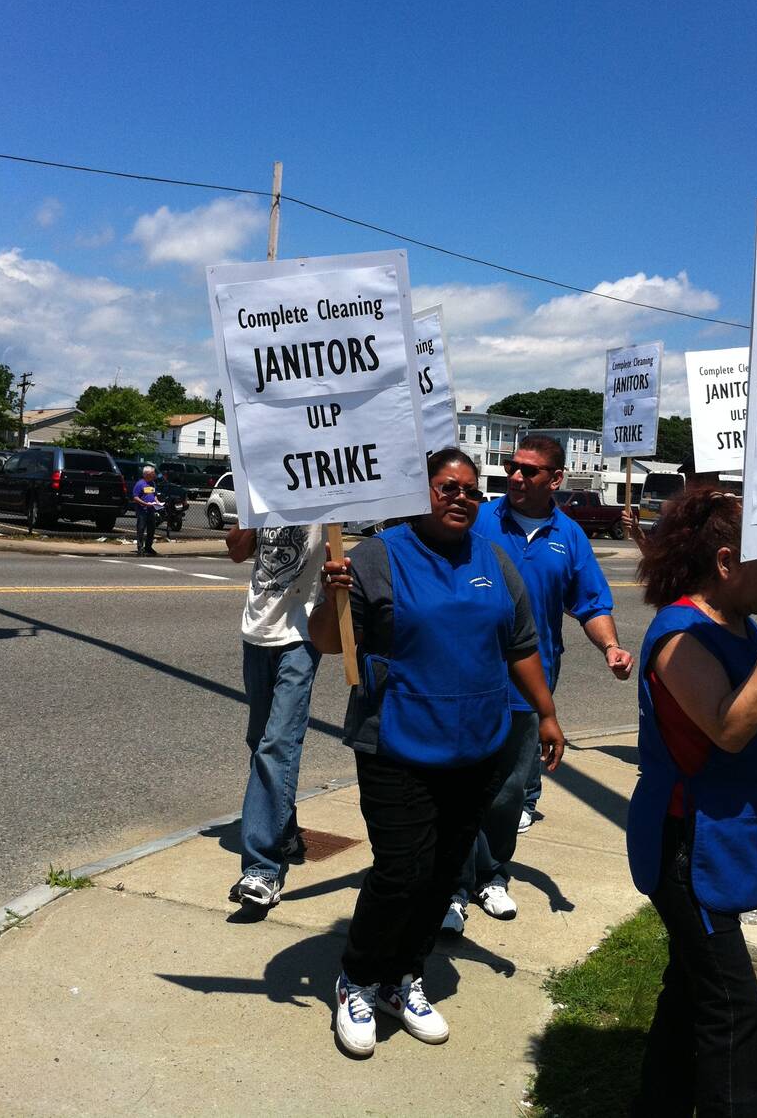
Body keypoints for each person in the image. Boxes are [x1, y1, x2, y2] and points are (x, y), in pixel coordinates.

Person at [308, 448, 563, 1058]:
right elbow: (326, 641)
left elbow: (520, 645)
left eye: (472, 491)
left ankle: (403, 976)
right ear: (419, 493)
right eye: (447, 487)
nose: (460, 498)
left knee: (447, 871)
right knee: (402, 871)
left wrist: (547, 713)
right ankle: (358, 978)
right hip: (396, 742)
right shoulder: (377, 556)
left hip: (475, 745)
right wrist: (328, 596)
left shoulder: (494, 560)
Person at [627, 486, 757, 1117]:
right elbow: (729, 728)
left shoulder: (741, 629)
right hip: (687, 844)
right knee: (732, 1006)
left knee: (692, 989)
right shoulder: (679, 636)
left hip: (724, 833)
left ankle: (656, 1105)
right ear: (725, 563)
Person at [442, 433, 632, 934]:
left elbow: (591, 603)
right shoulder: (479, 520)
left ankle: (492, 876)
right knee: (462, 791)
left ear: (556, 479)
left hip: (531, 687)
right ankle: (455, 889)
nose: (517, 477)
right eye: (513, 467)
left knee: (507, 794)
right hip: (467, 680)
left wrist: (609, 646)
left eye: (529, 471)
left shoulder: (569, 536)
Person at [226, 522, 325, 910]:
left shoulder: (321, 487)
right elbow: (236, 551)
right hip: (257, 630)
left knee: (277, 744)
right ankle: (283, 830)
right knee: (259, 742)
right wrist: (249, 516)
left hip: (301, 635)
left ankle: (262, 869)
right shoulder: (259, 488)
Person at [132, 465, 163, 557]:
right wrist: (145, 504)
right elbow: (135, 497)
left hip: (151, 510)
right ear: (147, 474)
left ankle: (148, 547)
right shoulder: (140, 484)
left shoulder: (152, 483)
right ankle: (140, 547)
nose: (154, 475)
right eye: (153, 473)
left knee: (151, 529)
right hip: (142, 511)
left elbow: (154, 494)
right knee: (141, 529)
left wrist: (157, 501)